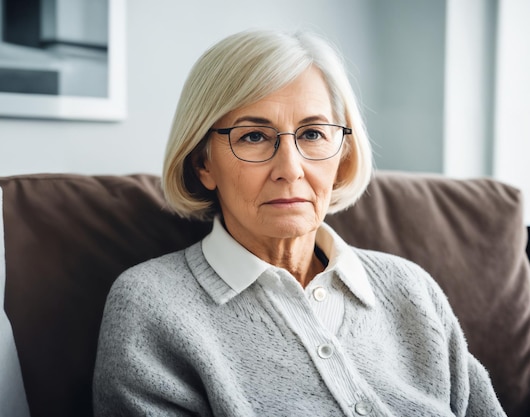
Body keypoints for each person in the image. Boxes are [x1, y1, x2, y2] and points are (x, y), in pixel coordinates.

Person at [93, 29, 505, 416]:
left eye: (312, 134)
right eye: (253, 136)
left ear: (343, 155)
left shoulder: (410, 287)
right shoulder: (152, 303)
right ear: (203, 163)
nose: (290, 170)